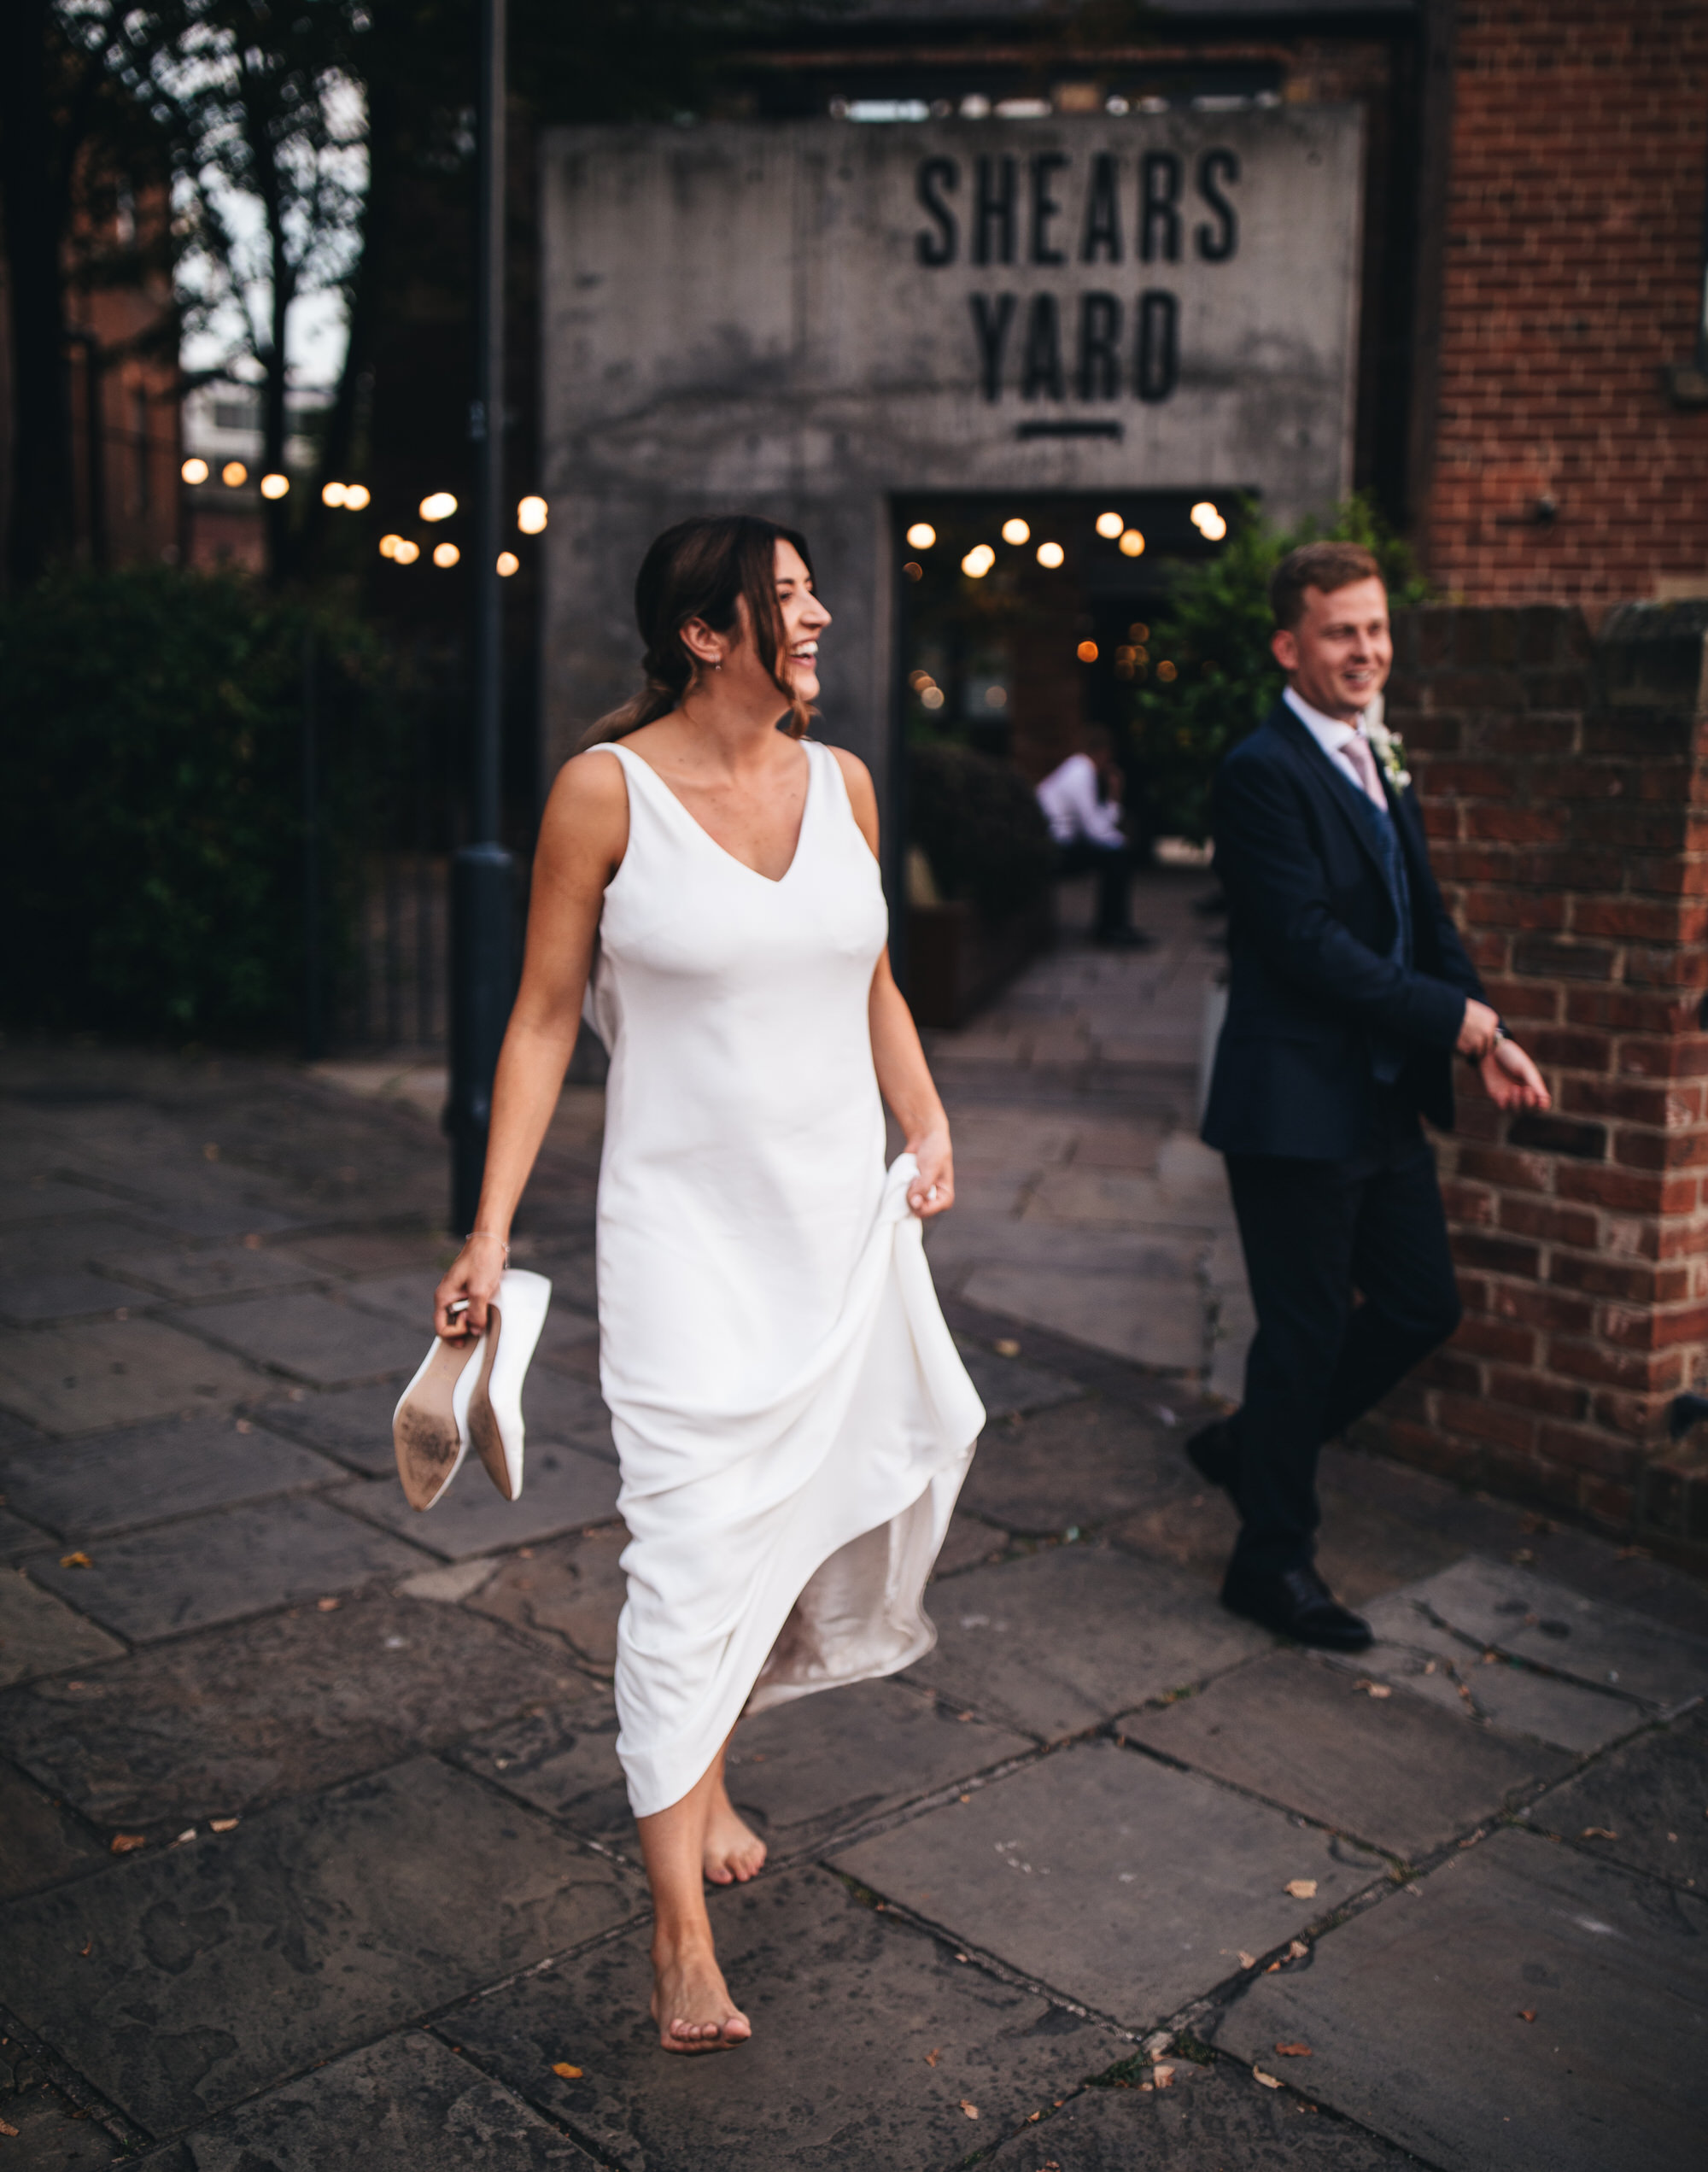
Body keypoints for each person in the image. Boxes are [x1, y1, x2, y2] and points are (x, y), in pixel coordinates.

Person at [431, 515, 984, 2052]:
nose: (819, 617)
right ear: (706, 630)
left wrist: (927, 1116)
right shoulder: (603, 796)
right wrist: (489, 1229)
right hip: (682, 1243)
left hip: (829, 1238)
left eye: (811, 593)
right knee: (684, 1552)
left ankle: (711, 1769)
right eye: (789, 598)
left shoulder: (849, 782)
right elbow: (545, 1018)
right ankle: (680, 1936)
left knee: (789, 1527)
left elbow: (869, 974)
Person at [1193, 542, 1550, 1650]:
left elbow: (1423, 916)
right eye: (1342, 631)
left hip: (1387, 1099)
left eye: (1378, 628)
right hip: (1295, 1105)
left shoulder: (1377, 754)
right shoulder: (1263, 770)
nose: (1367, 650)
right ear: (1289, 646)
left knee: (1419, 1305)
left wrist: (1480, 1023)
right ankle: (1271, 1557)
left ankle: (1254, 1447)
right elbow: (1305, 944)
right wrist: (1459, 1021)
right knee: (1300, 1336)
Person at [1034, 729, 1149, 946]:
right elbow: (1095, 830)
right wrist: (1122, 844)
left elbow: (1098, 825)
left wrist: (1114, 795)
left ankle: (1112, 926)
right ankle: (1112, 929)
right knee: (1117, 856)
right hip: (1051, 847)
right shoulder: (1080, 772)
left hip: (1058, 843)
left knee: (1116, 854)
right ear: (1104, 753)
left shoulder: (1078, 769)